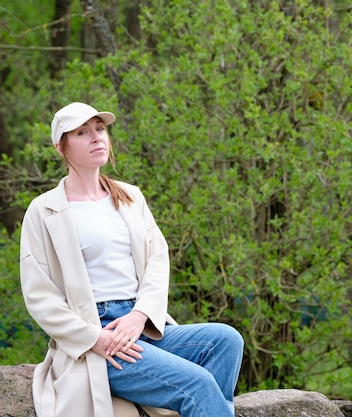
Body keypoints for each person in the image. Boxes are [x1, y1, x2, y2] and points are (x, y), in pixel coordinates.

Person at [19, 102, 244, 417]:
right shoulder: (43, 211)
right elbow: (39, 295)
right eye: (82, 132)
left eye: (100, 129)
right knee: (198, 384)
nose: (97, 137)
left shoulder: (130, 196)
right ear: (61, 147)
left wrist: (140, 316)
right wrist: (94, 338)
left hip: (141, 326)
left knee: (225, 340)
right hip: (100, 339)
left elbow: (157, 260)